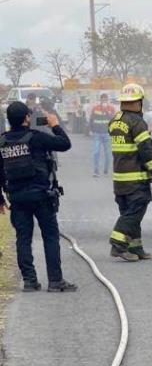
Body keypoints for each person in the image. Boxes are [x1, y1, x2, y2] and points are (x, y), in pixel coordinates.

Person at [0, 102, 76, 292]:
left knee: (23, 238)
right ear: (27, 118)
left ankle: (29, 281)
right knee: (50, 237)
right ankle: (55, 281)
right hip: (41, 196)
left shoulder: (2, 142)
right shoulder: (36, 138)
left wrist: (1, 199)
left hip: (16, 198)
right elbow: (65, 144)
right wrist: (55, 125)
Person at [108, 83, 152, 262]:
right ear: (138, 102)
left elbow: (129, 143)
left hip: (119, 179)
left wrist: (147, 140)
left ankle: (136, 247)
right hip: (135, 178)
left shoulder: (115, 120)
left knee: (129, 212)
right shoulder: (138, 122)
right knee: (134, 213)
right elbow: (145, 151)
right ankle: (118, 245)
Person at [89, 93, 114, 177]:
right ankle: (96, 171)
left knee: (107, 153)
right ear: (100, 100)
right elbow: (91, 119)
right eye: (102, 99)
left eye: (105, 100)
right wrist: (91, 130)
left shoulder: (111, 108)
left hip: (107, 133)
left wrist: (106, 111)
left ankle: (106, 169)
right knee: (96, 152)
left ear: (107, 100)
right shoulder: (95, 108)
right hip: (97, 133)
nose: (104, 101)